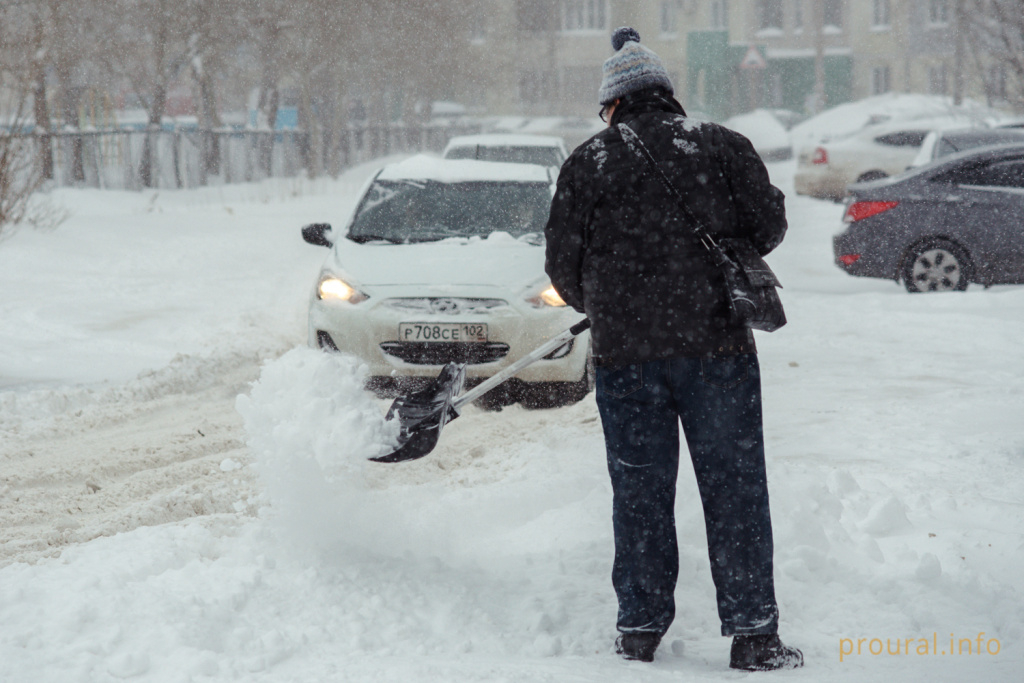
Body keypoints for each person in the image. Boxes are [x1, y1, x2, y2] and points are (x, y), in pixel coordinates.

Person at [543, 27, 803, 671]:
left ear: (615, 105)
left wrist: (610, 301)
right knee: (736, 488)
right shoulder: (720, 146)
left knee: (639, 492)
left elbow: (562, 268)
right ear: (666, 94)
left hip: (627, 358)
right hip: (718, 348)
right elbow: (768, 224)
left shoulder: (588, 163)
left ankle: (639, 630)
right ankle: (754, 635)